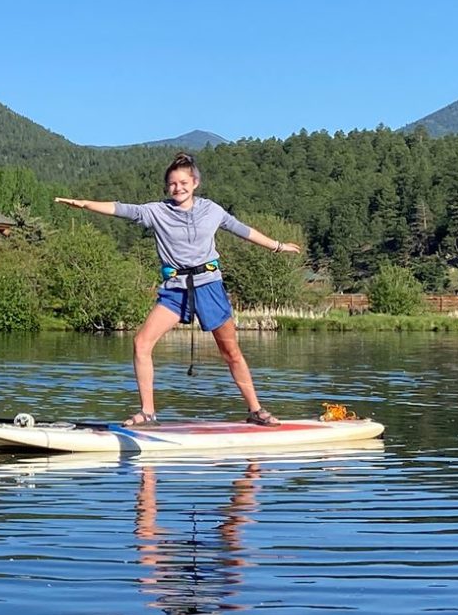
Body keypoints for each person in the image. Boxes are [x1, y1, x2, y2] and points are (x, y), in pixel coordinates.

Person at [56, 154, 304, 426]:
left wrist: (278, 246)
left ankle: (256, 410)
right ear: (167, 187)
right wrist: (84, 205)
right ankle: (147, 413)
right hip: (176, 291)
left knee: (230, 351)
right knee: (141, 343)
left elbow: (244, 231)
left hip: (209, 286)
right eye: (172, 184)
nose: (178, 188)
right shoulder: (156, 212)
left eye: (183, 182)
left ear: (195, 183)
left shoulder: (212, 210)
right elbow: (122, 209)